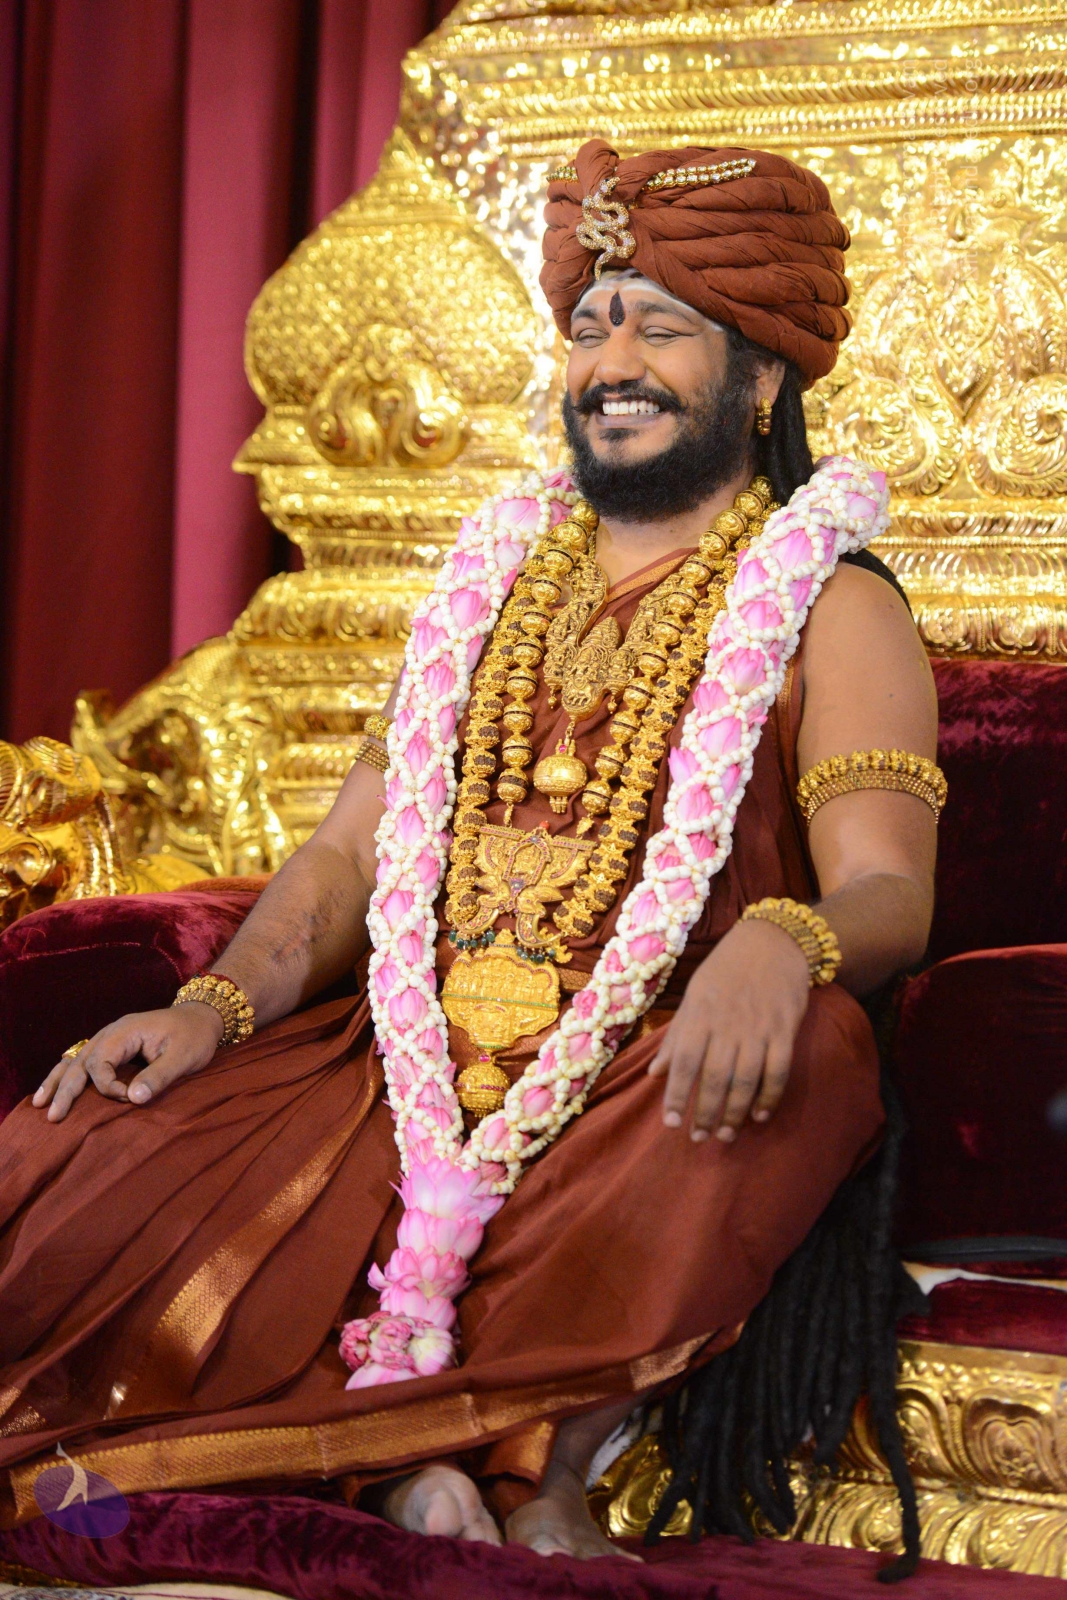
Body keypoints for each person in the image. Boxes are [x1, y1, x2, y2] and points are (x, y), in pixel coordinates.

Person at [0, 139, 940, 1567]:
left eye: (661, 328)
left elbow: (887, 889)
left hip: (647, 1074)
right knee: (69, 1149)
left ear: (762, 380)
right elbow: (344, 859)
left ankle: (528, 1464)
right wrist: (214, 1006)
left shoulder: (834, 603)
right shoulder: (489, 586)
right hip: (399, 1067)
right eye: (590, 326)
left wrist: (779, 940)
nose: (611, 362)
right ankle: (409, 1461)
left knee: (811, 1048)